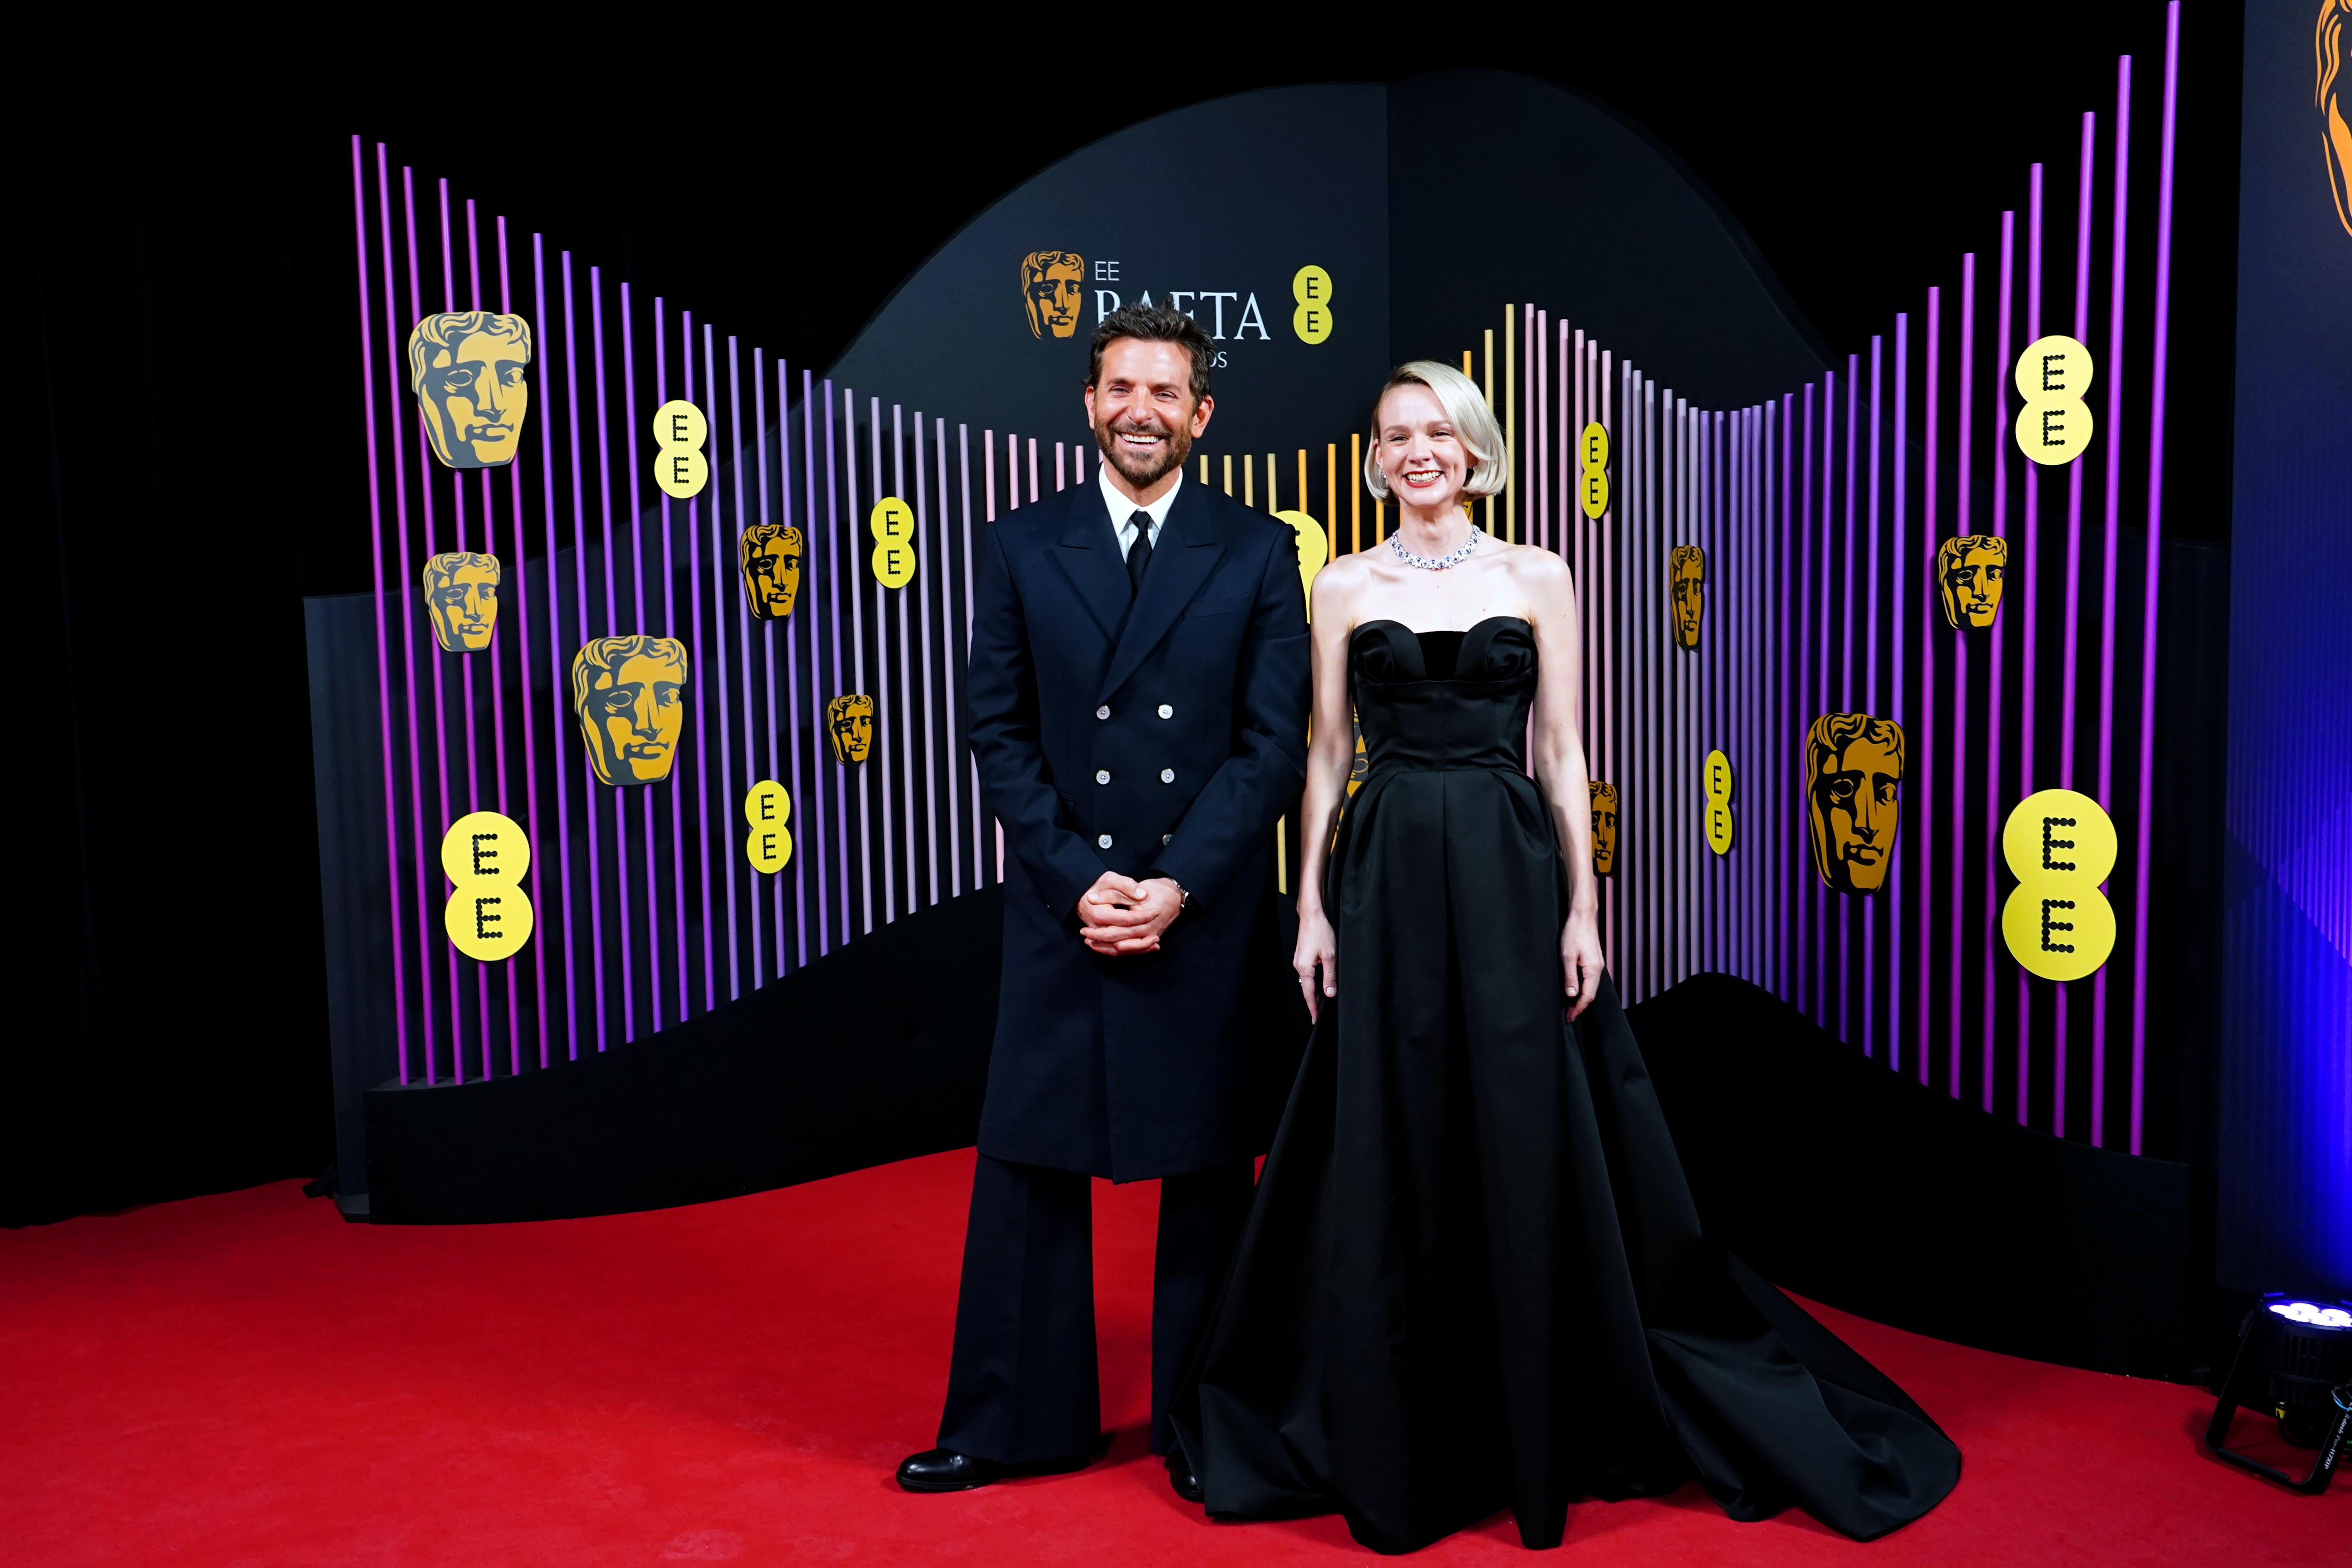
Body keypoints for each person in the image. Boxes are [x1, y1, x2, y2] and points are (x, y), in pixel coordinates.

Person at [1171, 361, 1960, 1553]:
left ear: (1476, 448)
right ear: (1374, 458)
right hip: (1383, 866)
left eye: (1437, 431)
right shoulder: (1340, 582)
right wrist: (1312, 909)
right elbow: (1328, 755)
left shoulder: (1538, 573)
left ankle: (1536, 1397)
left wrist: (1583, 911)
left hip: (1502, 864)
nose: (1417, 451)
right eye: (1395, 436)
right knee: (1391, 1120)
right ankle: (1394, 1397)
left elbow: (1559, 751)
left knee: (1518, 1115)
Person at [896, 304, 1310, 1500]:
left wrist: (1176, 884)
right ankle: (1011, 1423)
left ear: (1202, 415)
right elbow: (998, 731)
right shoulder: (1021, 543)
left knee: (1205, 1176)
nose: (1142, 410)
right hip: (1064, 901)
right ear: (1089, 404)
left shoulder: (1255, 548)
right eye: (1121, 388)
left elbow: (1270, 746)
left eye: (1166, 392)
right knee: (1028, 1164)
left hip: (1203, 902)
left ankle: (1204, 1423)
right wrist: (1085, 878)